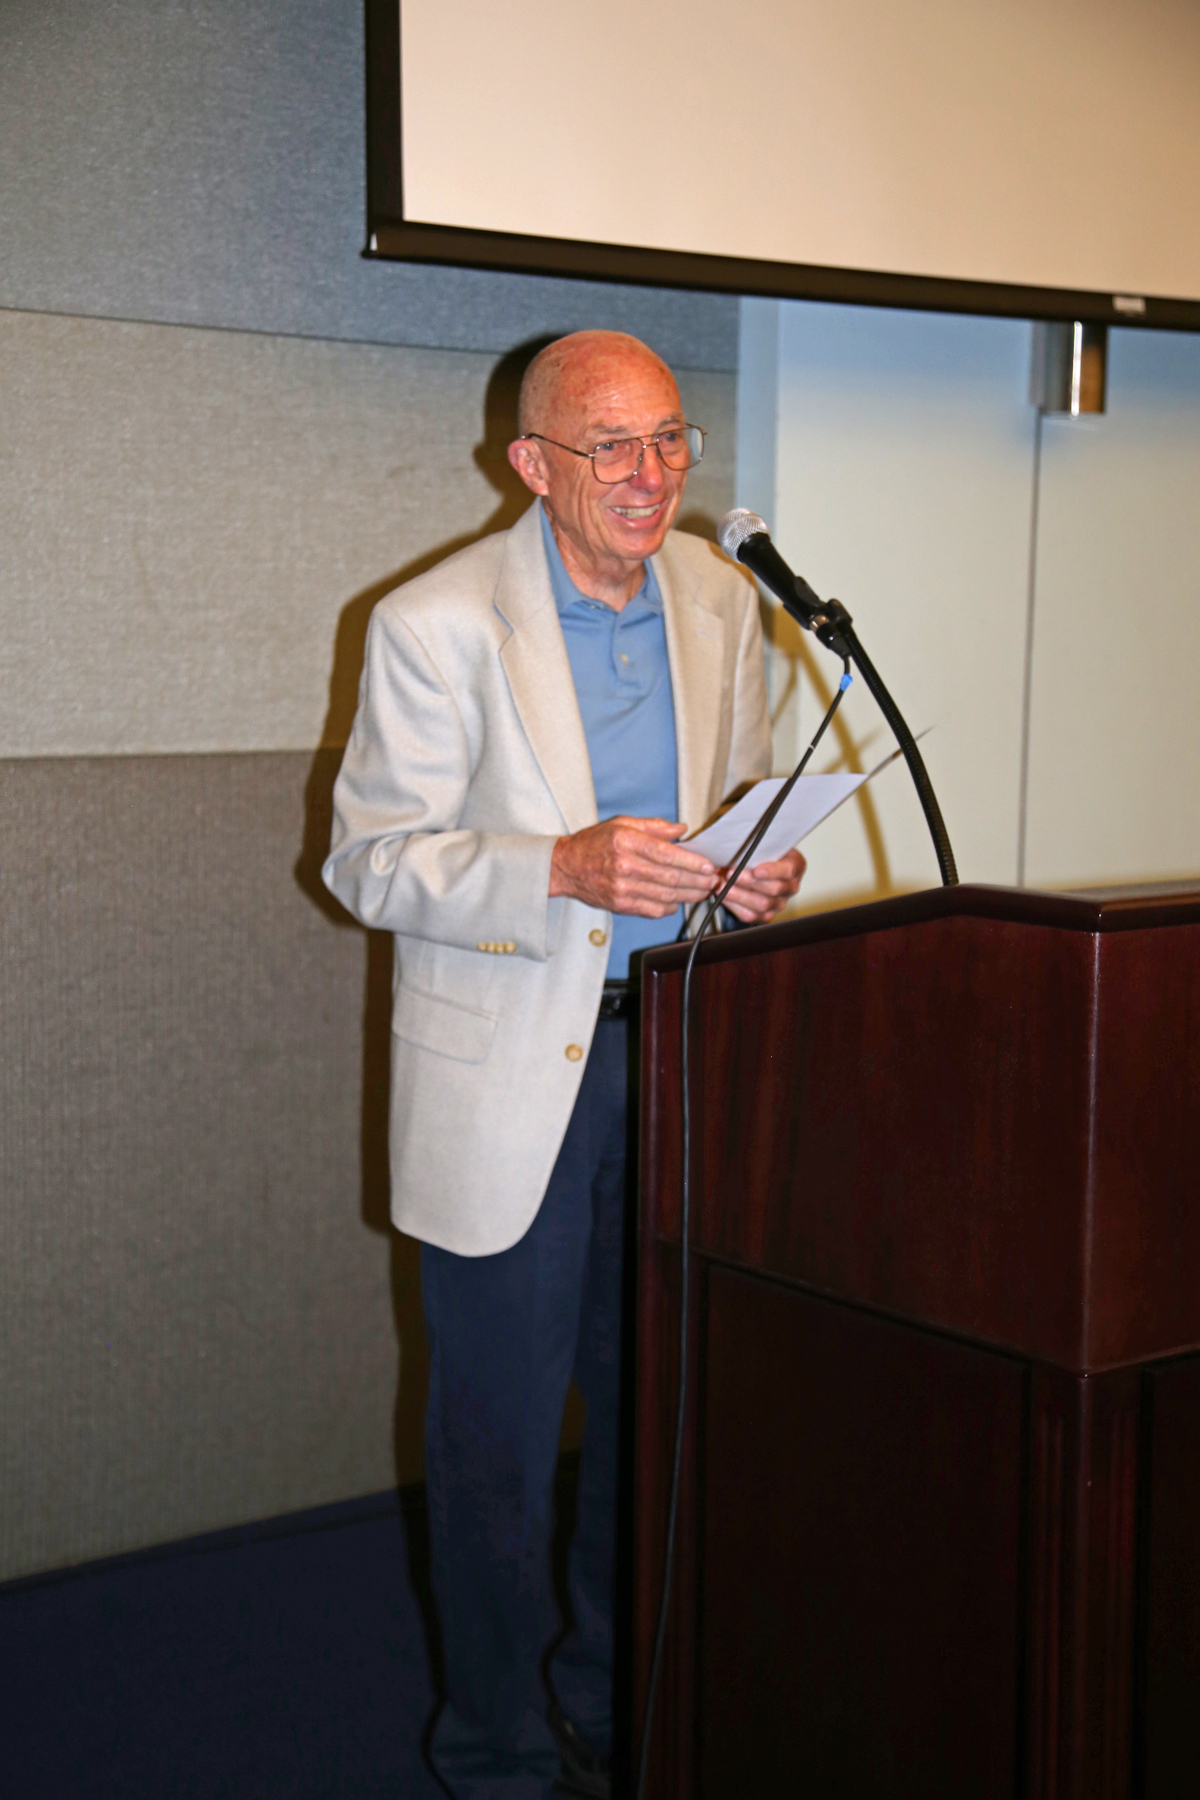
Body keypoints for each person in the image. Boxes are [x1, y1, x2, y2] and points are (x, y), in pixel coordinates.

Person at [322, 330, 804, 1800]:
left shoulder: (724, 598)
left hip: (682, 1059)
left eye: (671, 441)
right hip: (515, 1085)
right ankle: (495, 1749)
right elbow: (369, 861)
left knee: (654, 1413)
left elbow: (759, 774)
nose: (651, 476)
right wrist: (565, 867)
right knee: (499, 1449)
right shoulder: (434, 623)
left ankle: (611, 1693)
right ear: (531, 464)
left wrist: (751, 868)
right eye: (613, 447)